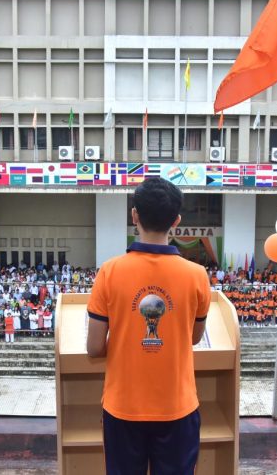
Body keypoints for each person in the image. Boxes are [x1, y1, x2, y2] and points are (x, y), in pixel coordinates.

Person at [87, 177, 210, 475]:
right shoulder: (197, 275)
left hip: (122, 407)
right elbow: (194, 338)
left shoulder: (110, 271)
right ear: (176, 221)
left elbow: (93, 348)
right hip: (178, 407)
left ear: (134, 215)